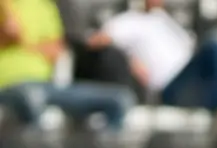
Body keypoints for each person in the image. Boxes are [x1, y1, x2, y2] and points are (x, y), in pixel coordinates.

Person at [85, 0, 217, 132]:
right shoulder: (128, 21)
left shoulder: (166, 21)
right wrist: (128, 58)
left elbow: (193, 52)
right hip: (171, 87)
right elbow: (95, 42)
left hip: (200, 85)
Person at [0, 0, 133, 126]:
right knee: (32, 97)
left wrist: (23, 44)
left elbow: (56, 49)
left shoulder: (44, 6)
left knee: (119, 100)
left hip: (46, 85)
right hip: (8, 85)